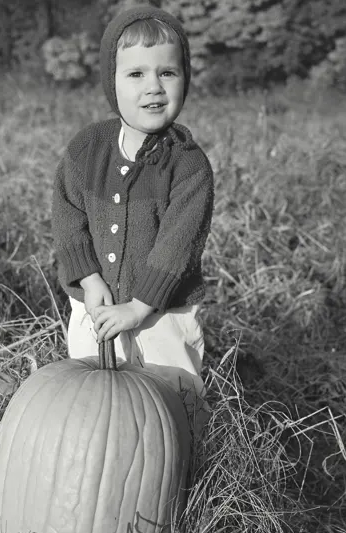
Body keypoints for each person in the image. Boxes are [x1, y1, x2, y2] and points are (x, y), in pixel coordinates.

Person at [51, 4, 214, 436]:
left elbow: (178, 246)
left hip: (163, 312)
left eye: (168, 73)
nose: (154, 88)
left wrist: (139, 307)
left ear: (185, 79)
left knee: (174, 399)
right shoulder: (88, 149)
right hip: (97, 306)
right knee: (96, 408)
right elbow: (68, 214)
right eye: (136, 74)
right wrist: (88, 279)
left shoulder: (189, 166)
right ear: (112, 80)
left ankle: (187, 475)